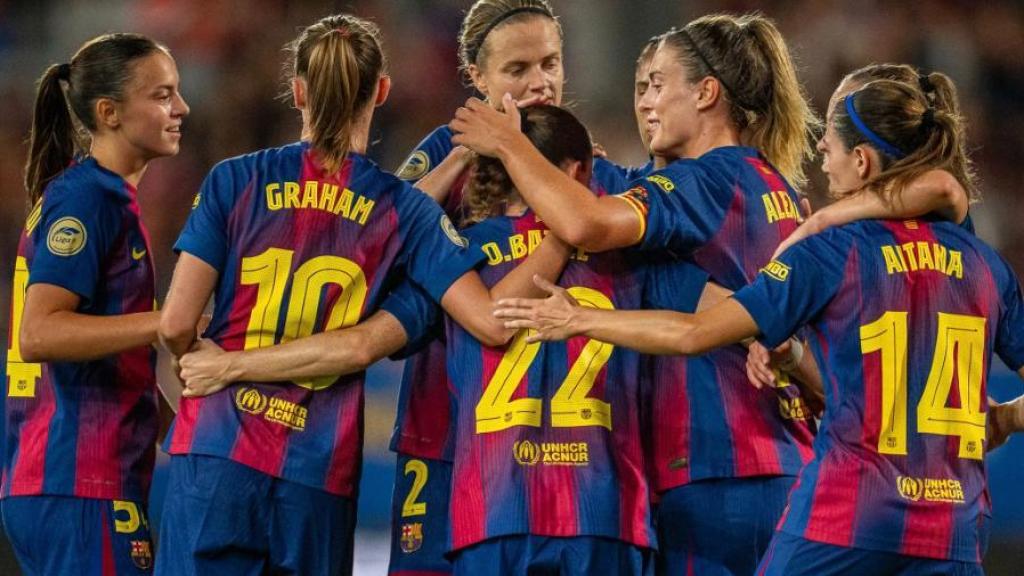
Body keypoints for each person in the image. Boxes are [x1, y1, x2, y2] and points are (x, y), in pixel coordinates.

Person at [495, 73, 1024, 576]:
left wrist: (581, 317)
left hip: (848, 515)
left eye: (831, 147)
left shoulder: (831, 252)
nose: (820, 154)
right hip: (954, 526)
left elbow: (692, 333)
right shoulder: (986, 264)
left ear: (862, 161)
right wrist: (1005, 420)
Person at [154, 14, 568, 576]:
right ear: (382, 91)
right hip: (317, 470)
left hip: (215, 449)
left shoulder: (233, 179)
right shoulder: (403, 212)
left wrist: (215, 368)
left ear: (298, 91)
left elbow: (175, 324)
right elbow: (484, 322)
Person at [453, 14, 821, 574]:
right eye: (639, 87)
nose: (645, 102)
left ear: (706, 92)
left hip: (713, 468)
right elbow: (740, 309)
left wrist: (509, 144)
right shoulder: (778, 190)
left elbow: (587, 225)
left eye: (657, 84)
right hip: (789, 459)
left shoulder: (707, 179)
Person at [388, 2, 632, 573]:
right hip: (445, 423)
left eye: (550, 62)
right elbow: (380, 230)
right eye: (516, 69)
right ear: (476, 77)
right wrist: (466, 154)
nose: (538, 83)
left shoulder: (583, 162)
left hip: (566, 442)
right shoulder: (448, 146)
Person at [2, 33, 189, 575]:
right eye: (161, 95)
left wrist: (188, 435)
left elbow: (109, 355)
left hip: (72, 482)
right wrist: (167, 320)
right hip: (79, 481)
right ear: (109, 113)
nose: (181, 108)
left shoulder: (101, 197)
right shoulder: (87, 200)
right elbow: (40, 334)